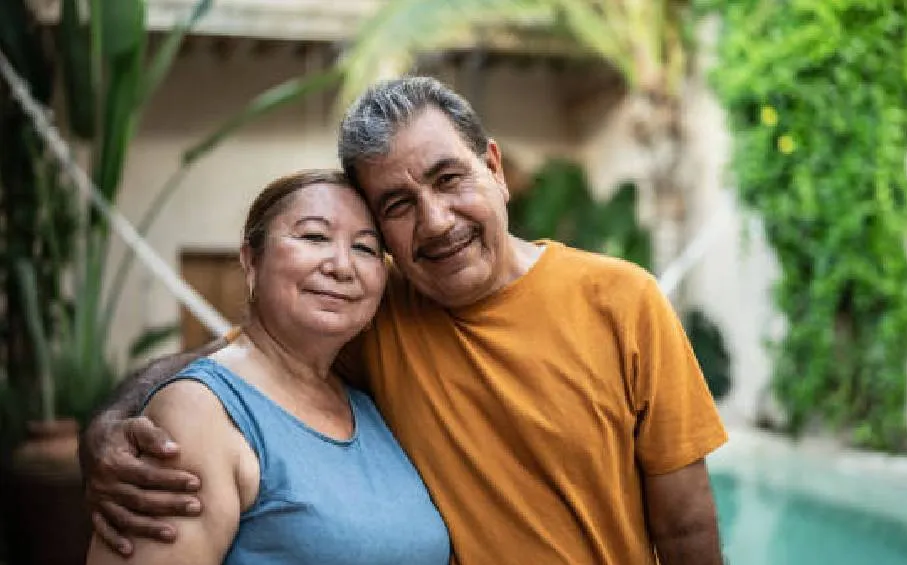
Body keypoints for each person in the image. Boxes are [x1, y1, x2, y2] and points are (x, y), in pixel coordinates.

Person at [81, 77, 728, 564]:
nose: (436, 220)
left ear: (494, 169)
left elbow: (686, 529)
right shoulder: (371, 313)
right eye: (398, 204)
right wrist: (111, 425)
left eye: (450, 178)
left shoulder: (623, 300)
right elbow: (236, 367)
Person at [86, 169, 451, 565]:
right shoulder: (197, 414)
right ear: (251, 261)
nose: (342, 266)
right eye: (314, 237)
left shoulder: (367, 402)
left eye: (365, 249)